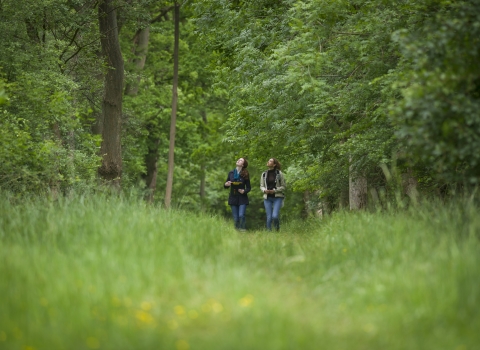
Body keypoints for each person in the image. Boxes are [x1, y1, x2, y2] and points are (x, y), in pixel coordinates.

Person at [224, 157, 251, 231]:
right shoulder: (231, 173)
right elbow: (226, 185)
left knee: (241, 215)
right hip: (233, 197)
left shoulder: (245, 173)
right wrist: (226, 184)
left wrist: (244, 191)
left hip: (242, 197)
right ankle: (236, 231)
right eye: (238, 159)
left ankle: (242, 229)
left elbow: (249, 188)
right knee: (235, 218)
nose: (238, 160)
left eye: (241, 160)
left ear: (243, 165)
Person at [260, 158, 286, 231]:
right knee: (269, 217)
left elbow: (283, 186)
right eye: (268, 160)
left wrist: (275, 191)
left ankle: (277, 229)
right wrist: (264, 190)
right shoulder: (264, 174)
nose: (268, 162)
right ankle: (269, 233)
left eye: (270, 161)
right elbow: (261, 186)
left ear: (274, 164)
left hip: (277, 197)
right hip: (267, 198)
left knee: (275, 216)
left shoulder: (279, 173)